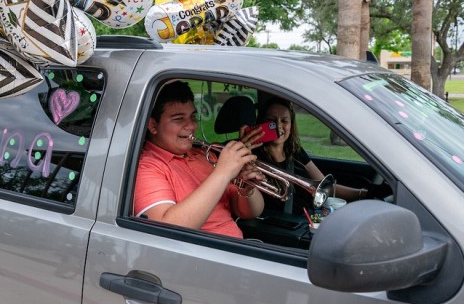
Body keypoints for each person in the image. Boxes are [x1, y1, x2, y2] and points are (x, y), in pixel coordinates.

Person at [134, 80, 265, 239]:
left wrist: (246, 188)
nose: (191, 126)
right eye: (179, 118)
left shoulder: (203, 155)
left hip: (234, 248)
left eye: (193, 116)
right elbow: (165, 231)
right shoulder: (146, 167)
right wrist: (222, 173)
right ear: (153, 125)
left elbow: (249, 212)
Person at [239, 97, 368, 215]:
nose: (278, 126)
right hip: (283, 225)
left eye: (284, 121)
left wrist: (362, 194)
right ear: (261, 124)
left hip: (309, 219)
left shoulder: (296, 151)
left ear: (291, 126)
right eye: (271, 121)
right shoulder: (251, 157)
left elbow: (324, 186)